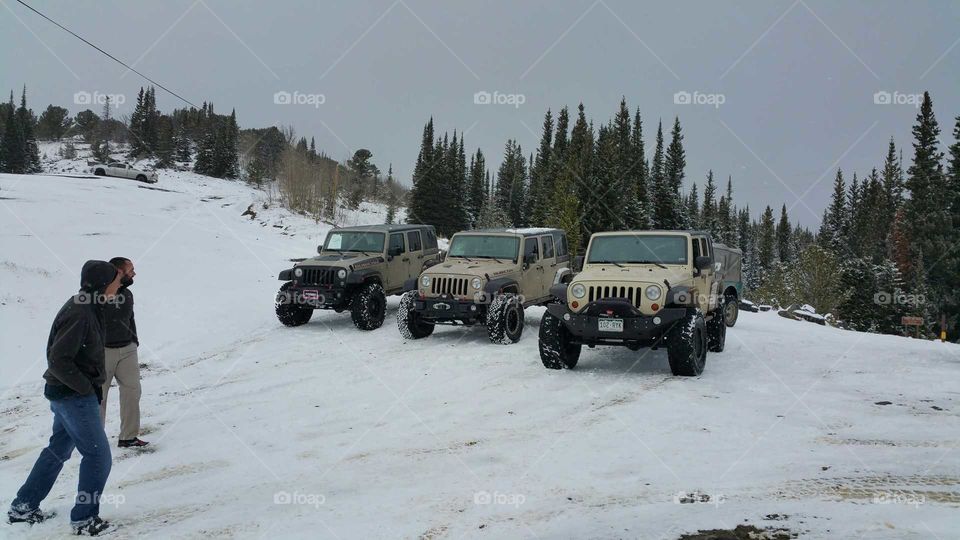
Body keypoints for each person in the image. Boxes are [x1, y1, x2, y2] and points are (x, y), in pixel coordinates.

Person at [8, 260, 123, 536]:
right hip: (73, 396)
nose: (118, 286)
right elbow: (58, 359)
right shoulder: (81, 312)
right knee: (98, 457)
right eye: (115, 282)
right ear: (102, 284)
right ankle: (84, 519)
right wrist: (85, 388)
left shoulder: (87, 304)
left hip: (66, 394)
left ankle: (23, 506)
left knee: (57, 450)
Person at [100, 257, 148, 448]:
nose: (134, 273)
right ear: (119, 272)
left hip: (127, 349)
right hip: (103, 351)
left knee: (132, 390)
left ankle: (128, 436)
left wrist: (134, 340)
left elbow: (130, 318)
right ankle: (96, 441)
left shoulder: (127, 293)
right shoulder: (98, 295)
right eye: (131, 270)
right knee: (99, 397)